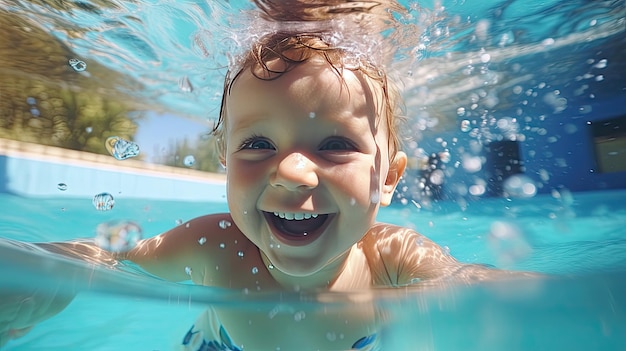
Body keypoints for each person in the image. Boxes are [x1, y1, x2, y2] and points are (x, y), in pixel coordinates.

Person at [1, 1, 537, 349]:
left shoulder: (390, 257)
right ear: (225, 160)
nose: (292, 171)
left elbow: (472, 281)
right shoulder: (213, 247)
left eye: (335, 144)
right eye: (258, 144)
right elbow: (102, 259)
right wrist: (50, 280)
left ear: (389, 177)